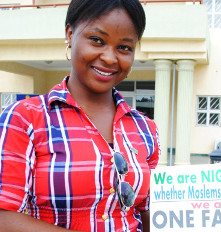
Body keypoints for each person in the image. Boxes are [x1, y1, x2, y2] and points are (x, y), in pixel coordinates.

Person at [0, 0, 160, 231]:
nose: (109, 57)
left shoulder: (145, 128)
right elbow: (4, 218)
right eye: (97, 40)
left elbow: (146, 212)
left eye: (124, 47)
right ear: (70, 33)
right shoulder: (25, 119)